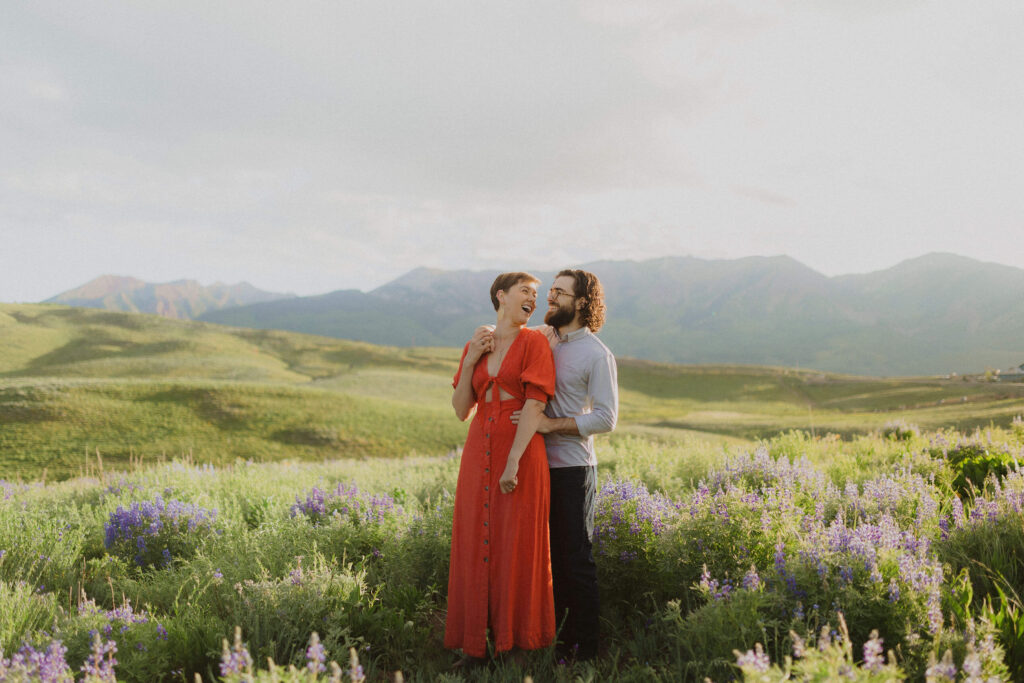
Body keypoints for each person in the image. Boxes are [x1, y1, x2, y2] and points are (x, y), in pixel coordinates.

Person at [487, 268, 618, 661]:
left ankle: (586, 652)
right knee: (545, 558)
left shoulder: (598, 354)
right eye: (550, 292)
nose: (550, 298)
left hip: (574, 470)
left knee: (575, 558)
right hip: (535, 467)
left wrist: (548, 424)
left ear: (581, 302)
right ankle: (554, 642)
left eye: (559, 293)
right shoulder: (543, 338)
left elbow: (606, 419)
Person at [444, 272, 557, 665]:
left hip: (519, 451)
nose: (533, 299)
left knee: (518, 544)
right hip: (478, 449)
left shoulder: (534, 342)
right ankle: (475, 645)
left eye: (537, 295)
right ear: (501, 296)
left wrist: (512, 463)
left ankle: (518, 646)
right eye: (525, 291)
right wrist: (473, 356)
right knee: (474, 539)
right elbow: (461, 409)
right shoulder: (476, 343)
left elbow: (535, 404)